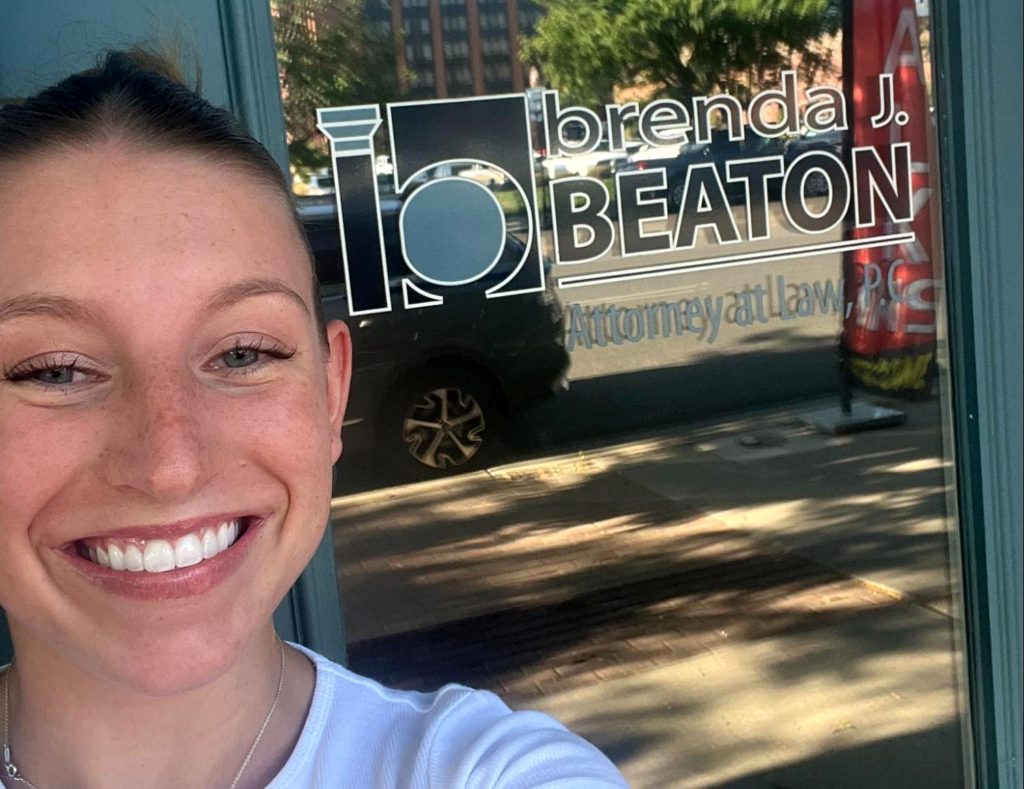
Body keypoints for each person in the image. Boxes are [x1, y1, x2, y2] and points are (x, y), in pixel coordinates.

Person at [0, 50, 628, 788]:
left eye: (243, 353)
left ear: (331, 392)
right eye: (55, 370)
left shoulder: (478, 770)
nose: (169, 465)